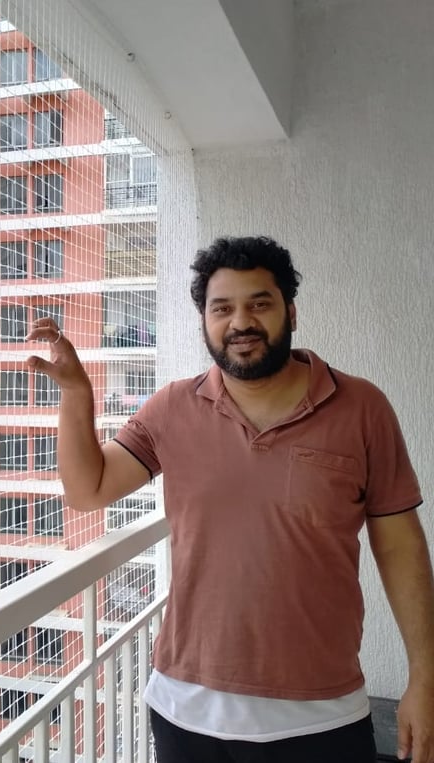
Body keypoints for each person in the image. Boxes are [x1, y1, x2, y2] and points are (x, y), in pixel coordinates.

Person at [25, 236, 434, 763]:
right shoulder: (173, 407)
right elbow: (89, 489)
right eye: (222, 309)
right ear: (205, 322)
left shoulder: (361, 408)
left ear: (290, 311)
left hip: (323, 713)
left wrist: (423, 677)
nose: (241, 322)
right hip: (187, 712)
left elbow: (400, 545)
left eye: (258, 303)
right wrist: (77, 394)